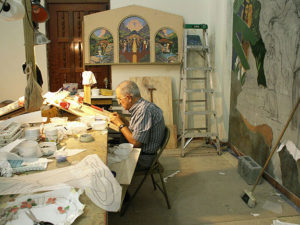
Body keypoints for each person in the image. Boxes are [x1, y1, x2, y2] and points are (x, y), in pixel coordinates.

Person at [110, 80, 165, 170]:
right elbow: (135, 128)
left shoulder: (143, 110)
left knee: (105, 162)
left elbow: (135, 143)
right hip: (141, 153)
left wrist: (120, 124)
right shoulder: (140, 106)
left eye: (120, 99)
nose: (119, 102)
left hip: (143, 158)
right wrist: (122, 119)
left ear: (129, 98)